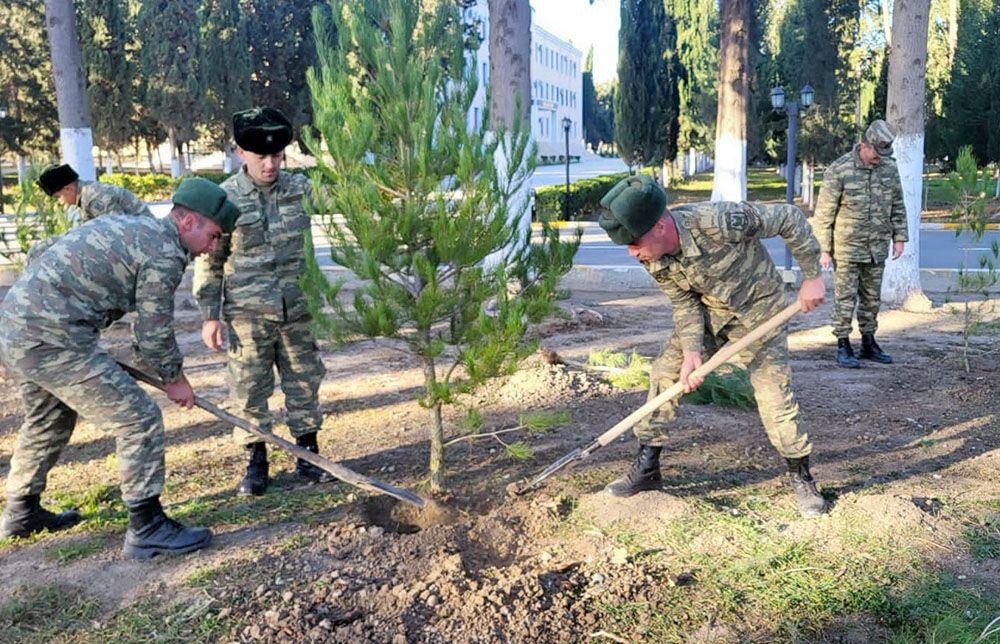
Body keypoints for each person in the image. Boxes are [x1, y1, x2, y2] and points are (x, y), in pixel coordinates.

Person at [0, 177, 239, 559]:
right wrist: (175, 379)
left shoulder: (133, 223)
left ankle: (20, 512)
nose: (213, 248)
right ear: (188, 222)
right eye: (213, 236)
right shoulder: (165, 252)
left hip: (16, 327)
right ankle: (147, 527)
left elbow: (44, 250)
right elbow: (153, 330)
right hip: (53, 338)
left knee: (49, 419)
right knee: (138, 419)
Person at [597, 175, 829, 518]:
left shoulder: (718, 221)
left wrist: (812, 275)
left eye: (635, 242)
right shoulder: (652, 256)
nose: (632, 253)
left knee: (773, 395)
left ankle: (802, 478)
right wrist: (692, 352)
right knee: (665, 371)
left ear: (661, 226)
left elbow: (789, 218)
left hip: (760, 314)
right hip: (709, 317)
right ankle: (648, 467)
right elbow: (685, 302)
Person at [194, 107, 330, 497]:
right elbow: (210, 262)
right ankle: (256, 461)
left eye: (276, 156)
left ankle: (310, 454)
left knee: (304, 381)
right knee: (249, 389)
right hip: (247, 316)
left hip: (297, 310)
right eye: (260, 157)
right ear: (240, 153)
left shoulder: (300, 189)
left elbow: (353, 199)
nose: (270, 164)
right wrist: (209, 316)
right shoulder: (224, 199)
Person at [811, 120, 908, 368]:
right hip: (847, 248)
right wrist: (823, 248)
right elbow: (824, 213)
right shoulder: (840, 169)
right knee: (845, 298)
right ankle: (843, 343)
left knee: (871, 299)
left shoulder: (889, 168)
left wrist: (899, 237)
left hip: (876, 245)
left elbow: (897, 204)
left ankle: (868, 341)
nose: (880, 158)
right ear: (864, 145)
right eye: (877, 152)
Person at [37, 163, 153, 223]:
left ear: (68, 189)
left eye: (58, 197)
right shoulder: (85, 196)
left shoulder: (94, 197)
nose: (61, 202)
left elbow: (118, 233)